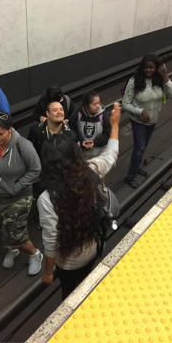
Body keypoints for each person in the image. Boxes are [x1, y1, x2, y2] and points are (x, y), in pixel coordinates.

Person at [38, 103, 121, 301]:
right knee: (85, 282)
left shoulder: (47, 198)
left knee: (68, 291)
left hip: (67, 262)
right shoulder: (90, 170)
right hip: (93, 249)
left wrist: (48, 272)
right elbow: (111, 154)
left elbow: (51, 242)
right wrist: (115, 125)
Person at [0, 112, 42, 274]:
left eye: (0, 133)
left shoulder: (23, 146)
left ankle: (35, 254)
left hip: (18, 196)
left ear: (10, 129)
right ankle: (13, 249)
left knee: (14, 232)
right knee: (0, 228)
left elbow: (36, 170)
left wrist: (17, 186)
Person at [122, 53, 172, 188]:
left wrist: (165, 77)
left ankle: (136, 167)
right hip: (138, 122)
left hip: (153, 121)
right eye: (146, 67)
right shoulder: (134, 81)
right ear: (142, 67)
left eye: (152, 68)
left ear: (157, 68)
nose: (148, 70)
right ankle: (130, 176)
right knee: (139, 148)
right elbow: (125, 104)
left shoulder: (159, 80)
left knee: (143, 147)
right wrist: (140, 112)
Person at [69, 89, 111, 157]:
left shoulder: (104, 117)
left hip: (99, 155)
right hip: (81, 156)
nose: (98, 106)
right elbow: (72, 133)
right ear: (86, 105)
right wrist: (81, 142)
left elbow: (108, 135)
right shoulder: (76, 115)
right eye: (94, 104)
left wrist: (95, 142)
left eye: (99, 103)